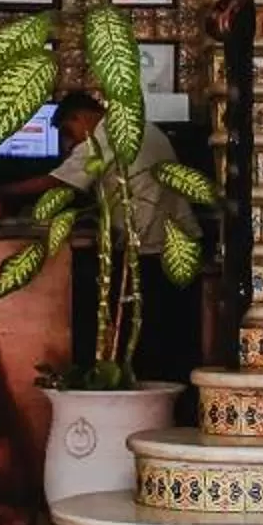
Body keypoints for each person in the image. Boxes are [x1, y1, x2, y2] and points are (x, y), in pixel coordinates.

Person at [38, 90, 202, 388]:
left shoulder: (105, 135)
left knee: (146, 340)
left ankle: (144, 396)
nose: (70, 142)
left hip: (149, 249)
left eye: (68, 131)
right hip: (173, 243)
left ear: (80, 117)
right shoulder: (137, 125)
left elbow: (58, 183)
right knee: (169, 340)